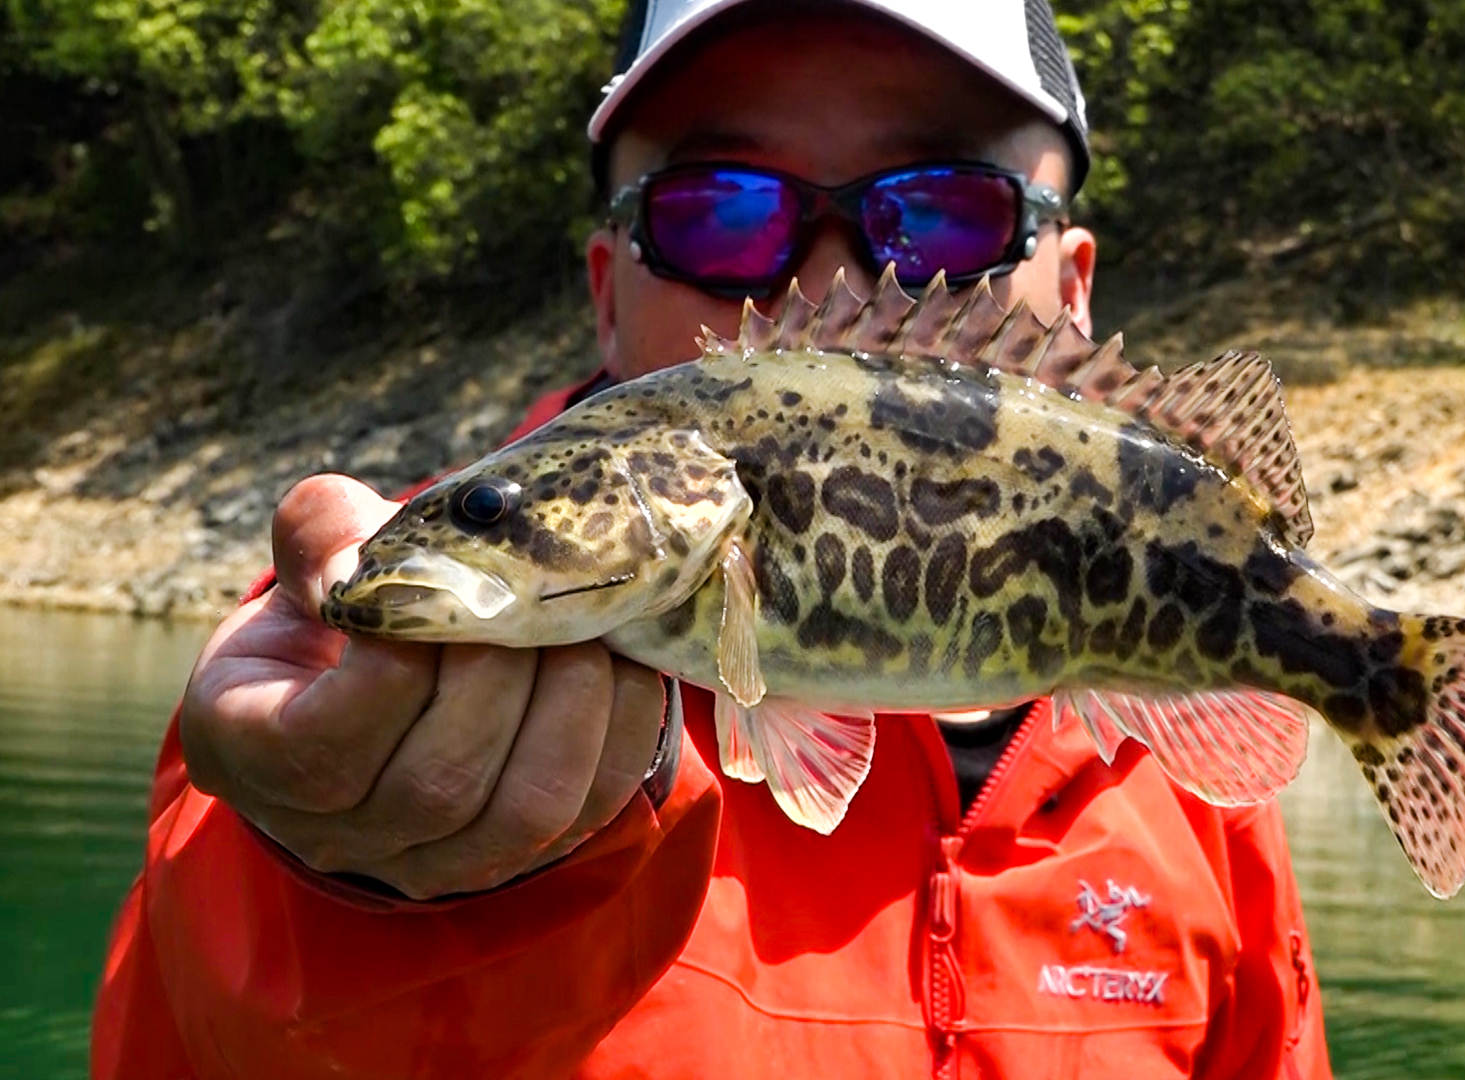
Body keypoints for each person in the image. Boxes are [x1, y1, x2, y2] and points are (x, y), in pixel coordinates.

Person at [91, 2, 1335, 1077]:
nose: (831, 279)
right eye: (723, 212)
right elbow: (207, 1022)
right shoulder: (335, 655)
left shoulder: (1190, 789)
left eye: (944, 213)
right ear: (603, 289)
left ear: (1071, 287)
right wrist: (342, 877)